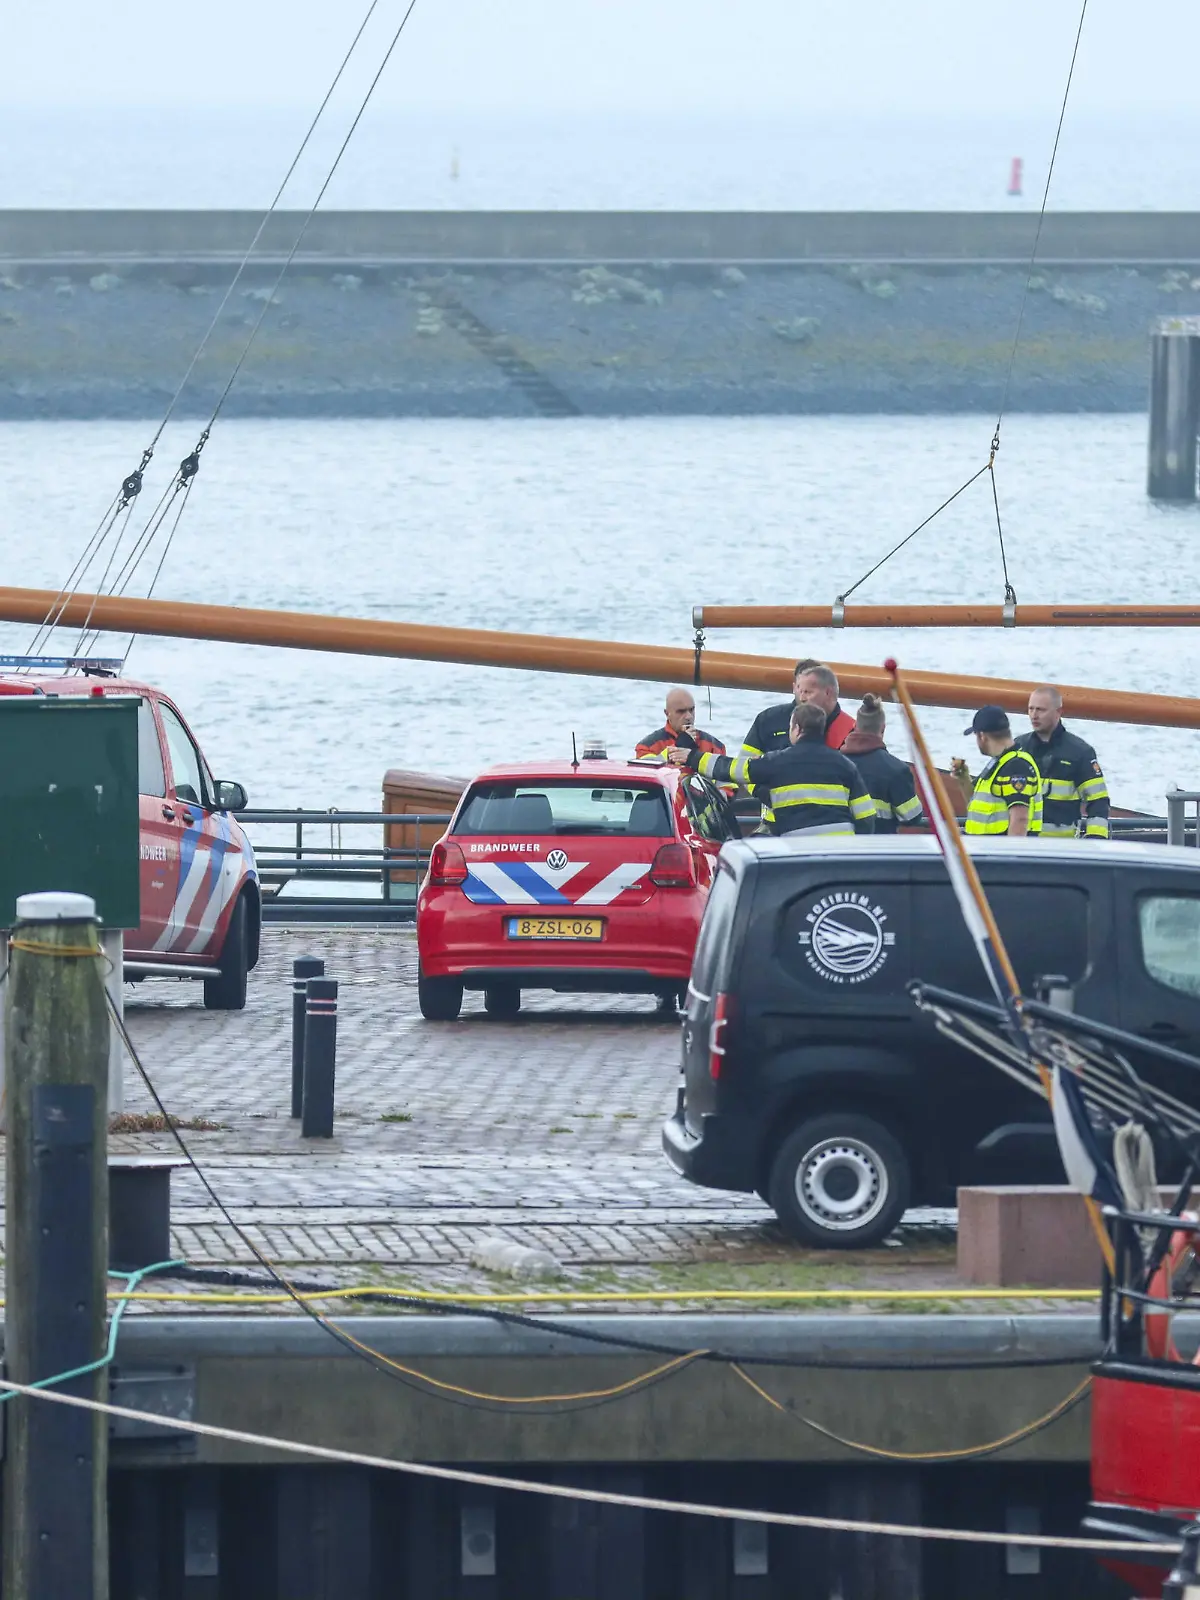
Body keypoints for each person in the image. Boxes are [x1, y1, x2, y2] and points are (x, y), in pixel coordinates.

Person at [668, 700, 876, 837]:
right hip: (841, 848)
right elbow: (866, 816)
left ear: (797, 729)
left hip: (798, 846)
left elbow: (731, 769)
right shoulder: (846, 765)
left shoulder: (777, 762)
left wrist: (693, 757)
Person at [740, 661, 854, 825]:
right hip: (774, 821)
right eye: (801, 689)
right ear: (794, 686)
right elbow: (744, 765)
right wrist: (763, 793)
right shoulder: (769, 719)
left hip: (828, 822)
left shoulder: (849, 728)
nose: (803, 696)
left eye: (809, 690)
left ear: (826, 691)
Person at [1014, 685, 1111, 839]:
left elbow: (1098, 801)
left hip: (1061, 847)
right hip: (1023, 844)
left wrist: (1096, 839)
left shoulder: (1080, 752)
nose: (1034, 715)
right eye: (1030, 709)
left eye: (1041, 710)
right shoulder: (1019, 747)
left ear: (1058, 712)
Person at [951, 706, 1042, 837]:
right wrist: (963, 778)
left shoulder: (1016, 767)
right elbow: (977, 805)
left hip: (998, 854)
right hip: (985, 851)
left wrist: (1010, 856)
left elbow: (1020, 819)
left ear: (982, 736)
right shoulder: (1000, 763)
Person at [842, 693, 924, 834]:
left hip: (838, 848)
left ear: (855, 726)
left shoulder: (834, 764)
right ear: (883, 728)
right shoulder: (896, 770)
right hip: (879, 850)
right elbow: (912, 817)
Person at [636, 688, 725, 760]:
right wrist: (680, 745)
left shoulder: (714, 746)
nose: (688, 716)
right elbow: (647, 771)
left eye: (691, 710)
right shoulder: (646, 747)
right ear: (667, 714)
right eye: (681, 711)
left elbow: (722, 780)